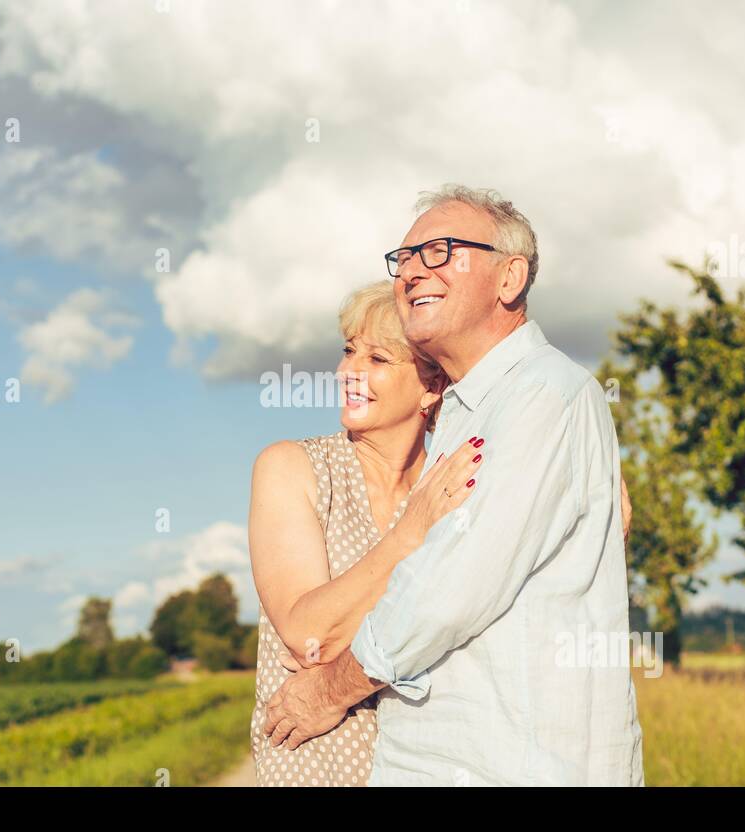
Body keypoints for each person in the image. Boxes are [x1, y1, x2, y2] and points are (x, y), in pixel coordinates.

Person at [263, 185, 644, 786]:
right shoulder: (467, 414)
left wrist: (328, 691)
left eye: (439, 251)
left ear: (509, 278)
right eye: (404, 258)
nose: (412, 271)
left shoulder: (542, 394)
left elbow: (447, 592)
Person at [247, 280, 485, 786]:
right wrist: (410, 534)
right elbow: (311, 635)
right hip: (315, 763)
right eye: (349, 351)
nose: (347, 372)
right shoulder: (294, 468)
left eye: (377, 359)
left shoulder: (450, 480)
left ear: (432, 386)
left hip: (432, 764)